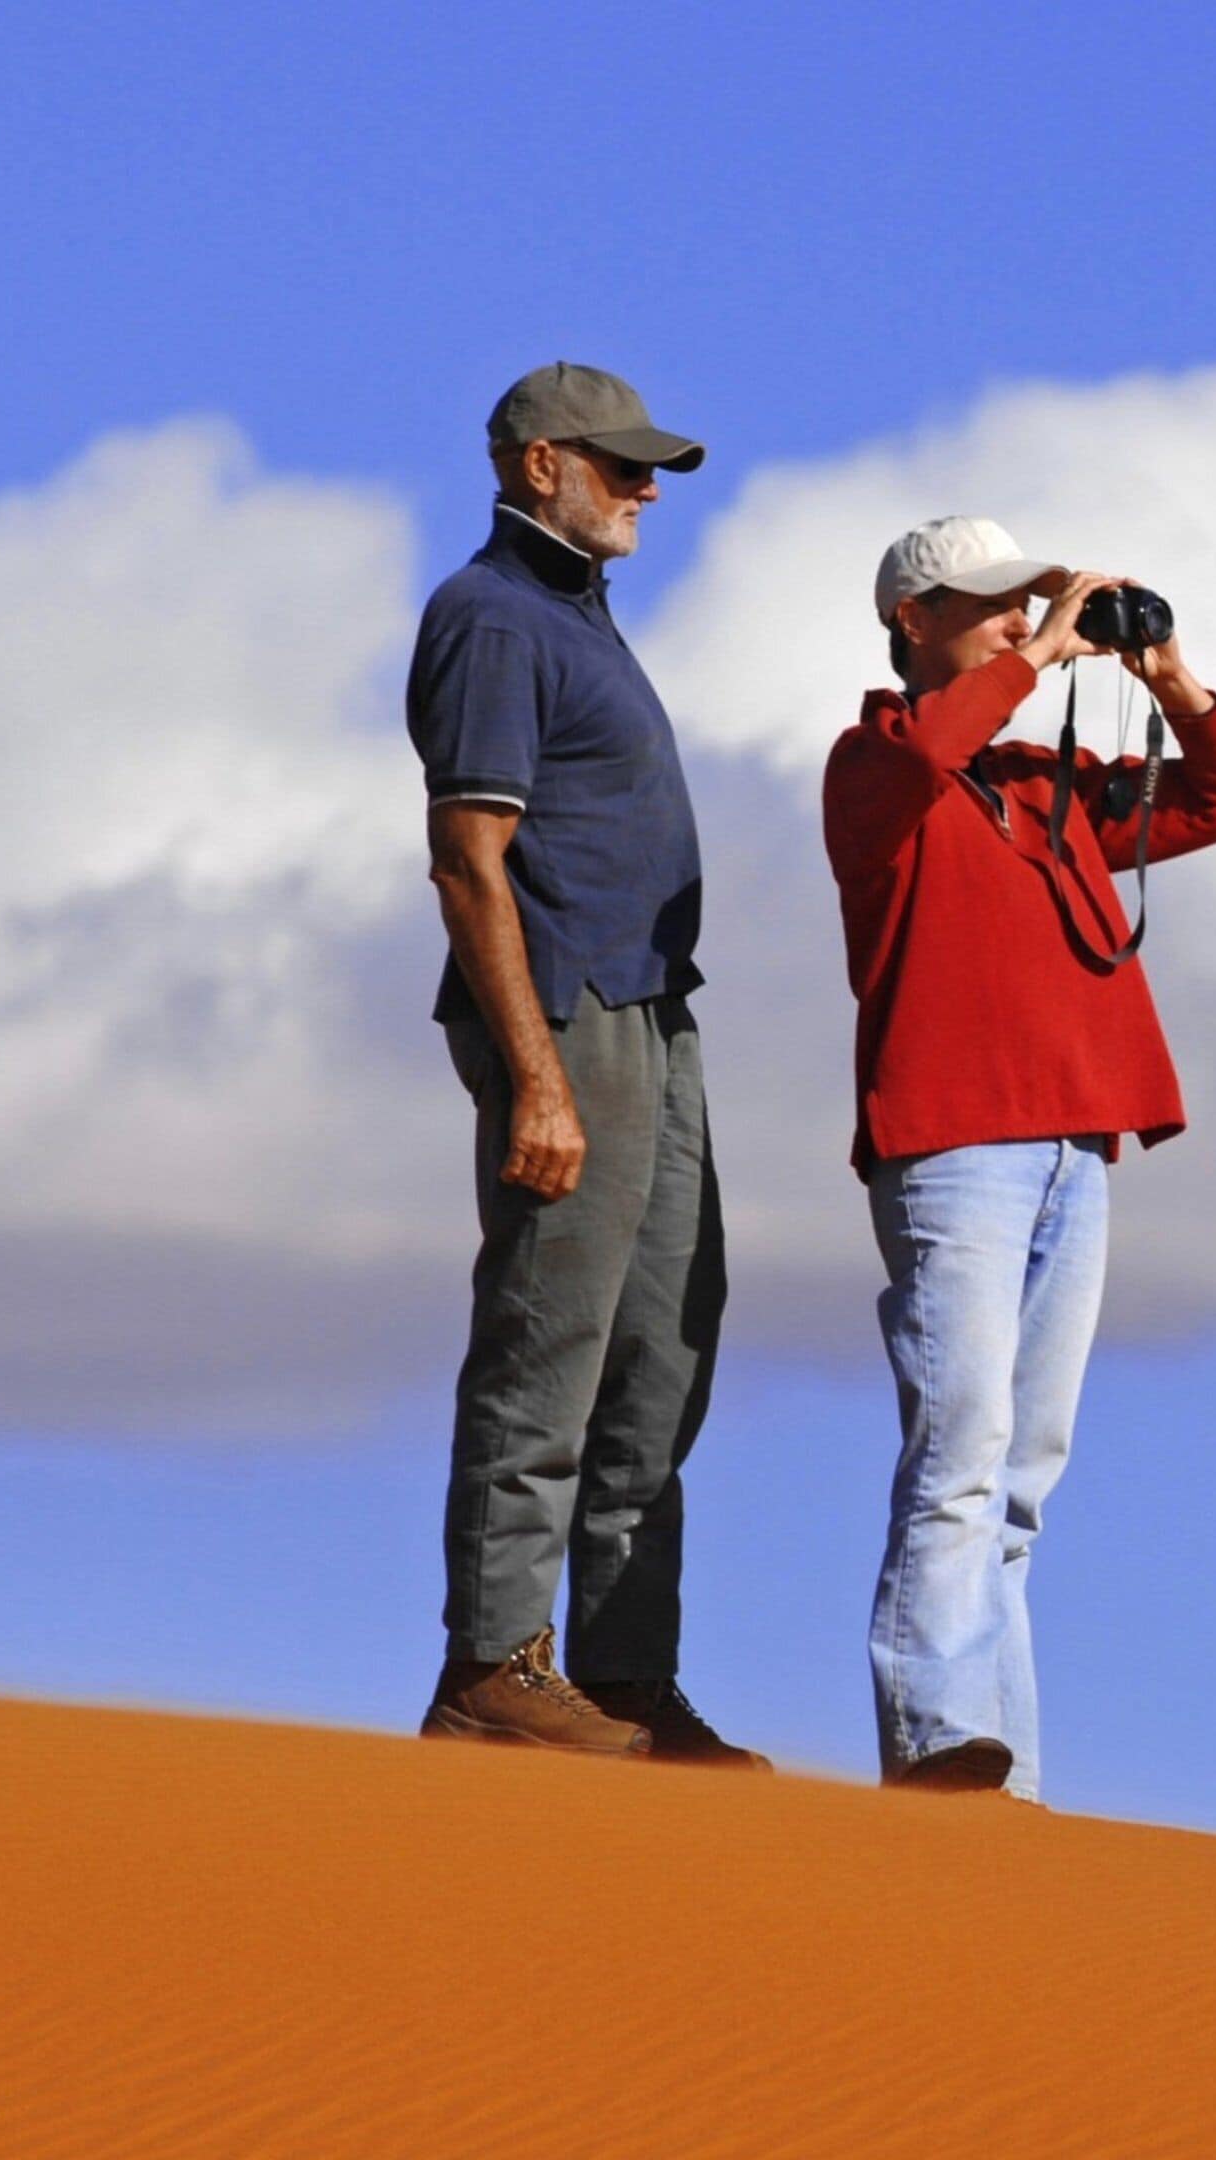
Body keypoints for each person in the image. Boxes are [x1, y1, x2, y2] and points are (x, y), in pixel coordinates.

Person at [828, 516, 1216, 1799]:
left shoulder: (1044, 781)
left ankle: (1002, 1771)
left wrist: (1170, 678)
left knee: (1023, 1477)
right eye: (992, 606)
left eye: (1032, 603)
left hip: (1080, 1141)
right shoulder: (874, 763)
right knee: (961, 1449)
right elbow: (925, 754)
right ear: (912, 621)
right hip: (956, 1144)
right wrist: (1038, 661)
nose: (1023, 621)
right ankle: (934, 1739)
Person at [405, 362, 764, 1767]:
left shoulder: (578, 617)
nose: (646, 489)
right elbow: (467, 859)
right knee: (550, 1336)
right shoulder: (490, 617)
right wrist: (538, 1074)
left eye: (648, 467)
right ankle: (495, 1663)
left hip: (654, 1009)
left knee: (665, 1345)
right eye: (620, 466)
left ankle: (623, 1676)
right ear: (536, 463)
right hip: (570, 1016)